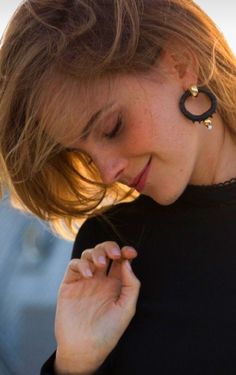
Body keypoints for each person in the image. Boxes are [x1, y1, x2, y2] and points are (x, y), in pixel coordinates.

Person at [0, 0, 236, 374]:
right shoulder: (112, 253)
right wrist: (75, 362)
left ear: (180, 63)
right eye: (82, 153)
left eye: (112, 127)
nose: (107, 173)